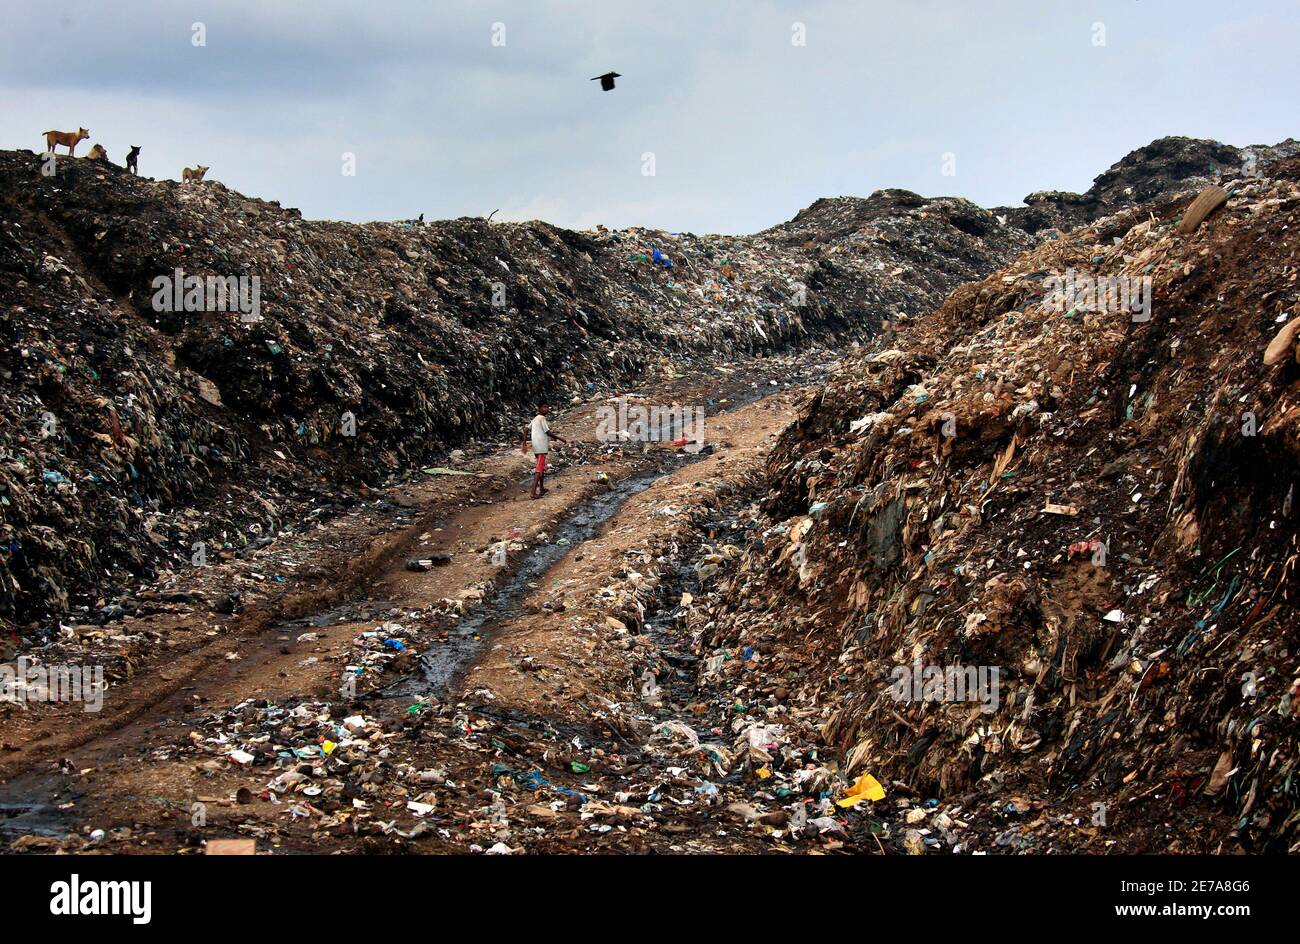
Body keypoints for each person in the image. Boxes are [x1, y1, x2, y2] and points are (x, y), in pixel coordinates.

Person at [522, 402, 565, 499]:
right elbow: (548, 432)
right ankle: (533, 492)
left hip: (536, 446)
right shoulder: (542, 418)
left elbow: (525, 429)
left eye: (547, 407)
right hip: (541, 447)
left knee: (541, 467)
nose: (546, 409)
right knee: (538, 469)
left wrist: (524, 443)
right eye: (544, 407)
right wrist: (560, 438)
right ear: (539, 409)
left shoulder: (535, 418)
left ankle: (541, 488)